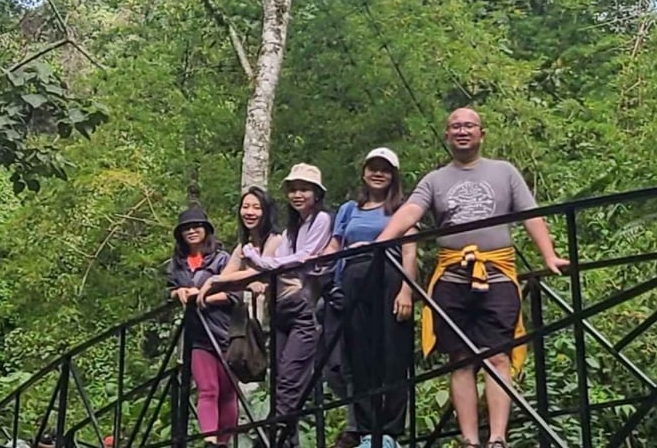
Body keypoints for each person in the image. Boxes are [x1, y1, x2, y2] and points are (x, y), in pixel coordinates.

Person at [376, 109, 568, 448]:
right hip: (451, 277)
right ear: (447, 135)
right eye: (455, 127)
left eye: (469, 126)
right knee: (460, 359)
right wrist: (383, 241)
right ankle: (469, 440)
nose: (462, 131)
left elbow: (531, 214)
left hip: (497, 273)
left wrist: (548, 254)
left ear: (482, 133)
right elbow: (411, 211)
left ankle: (496, 438)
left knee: (497, 356)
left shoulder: (504, 172)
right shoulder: (435, 179)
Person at [203, 165, 333, 448]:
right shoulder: (292, 228)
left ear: (317, 193)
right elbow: (240, 275)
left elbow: (299, 261)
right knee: (281, 382)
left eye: (305, 189)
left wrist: (256, 264)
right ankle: (286, 442)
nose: (298, 194)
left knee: (290, 380)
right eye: (293, 189)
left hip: (300, 307)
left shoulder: (319, 220)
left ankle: (269, 439)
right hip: (280, 312)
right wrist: (209, 286)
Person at [323, 147, 417, 448]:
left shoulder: (402, 208)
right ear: (364, 172)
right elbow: (334, 247)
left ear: (394, 175)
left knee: (392, 354)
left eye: (385, 169)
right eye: (373, 167)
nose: (378, 173)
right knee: (358, 357)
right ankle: (366, 431)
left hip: (388, 277)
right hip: (352, 279)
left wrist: (407, 289)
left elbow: (410, 249)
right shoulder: (350, 209)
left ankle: (389, 432)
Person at [167, 204, 240, 445]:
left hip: (225, 331)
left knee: (228, 392)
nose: (192, 231)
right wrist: (178, 293)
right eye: (186, 228)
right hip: (197, 334)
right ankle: (209, 440)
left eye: (196, 226)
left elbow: (234, 294)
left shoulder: (222, 259)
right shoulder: (177, 263)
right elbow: (169, 290)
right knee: (207, 389)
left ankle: (224, 442)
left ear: (206, 230)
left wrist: (201, 296)